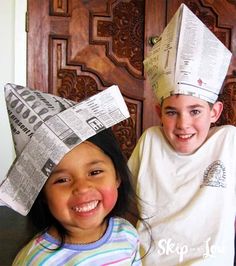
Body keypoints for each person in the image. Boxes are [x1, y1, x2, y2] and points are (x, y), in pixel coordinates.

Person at [128, 4, 235, 266]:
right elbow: (127, 204)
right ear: (158, 111)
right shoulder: (150, 141)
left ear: (215, 112)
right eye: (172, 112)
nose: (183, 124)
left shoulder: (228, 141)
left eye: (195, 111)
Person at [12, 128, 145, 265]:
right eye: (62, 180)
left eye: (95, 172)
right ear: (42, 194)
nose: (82, 188)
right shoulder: (36, 260)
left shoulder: (127, 234)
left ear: (117, 177)